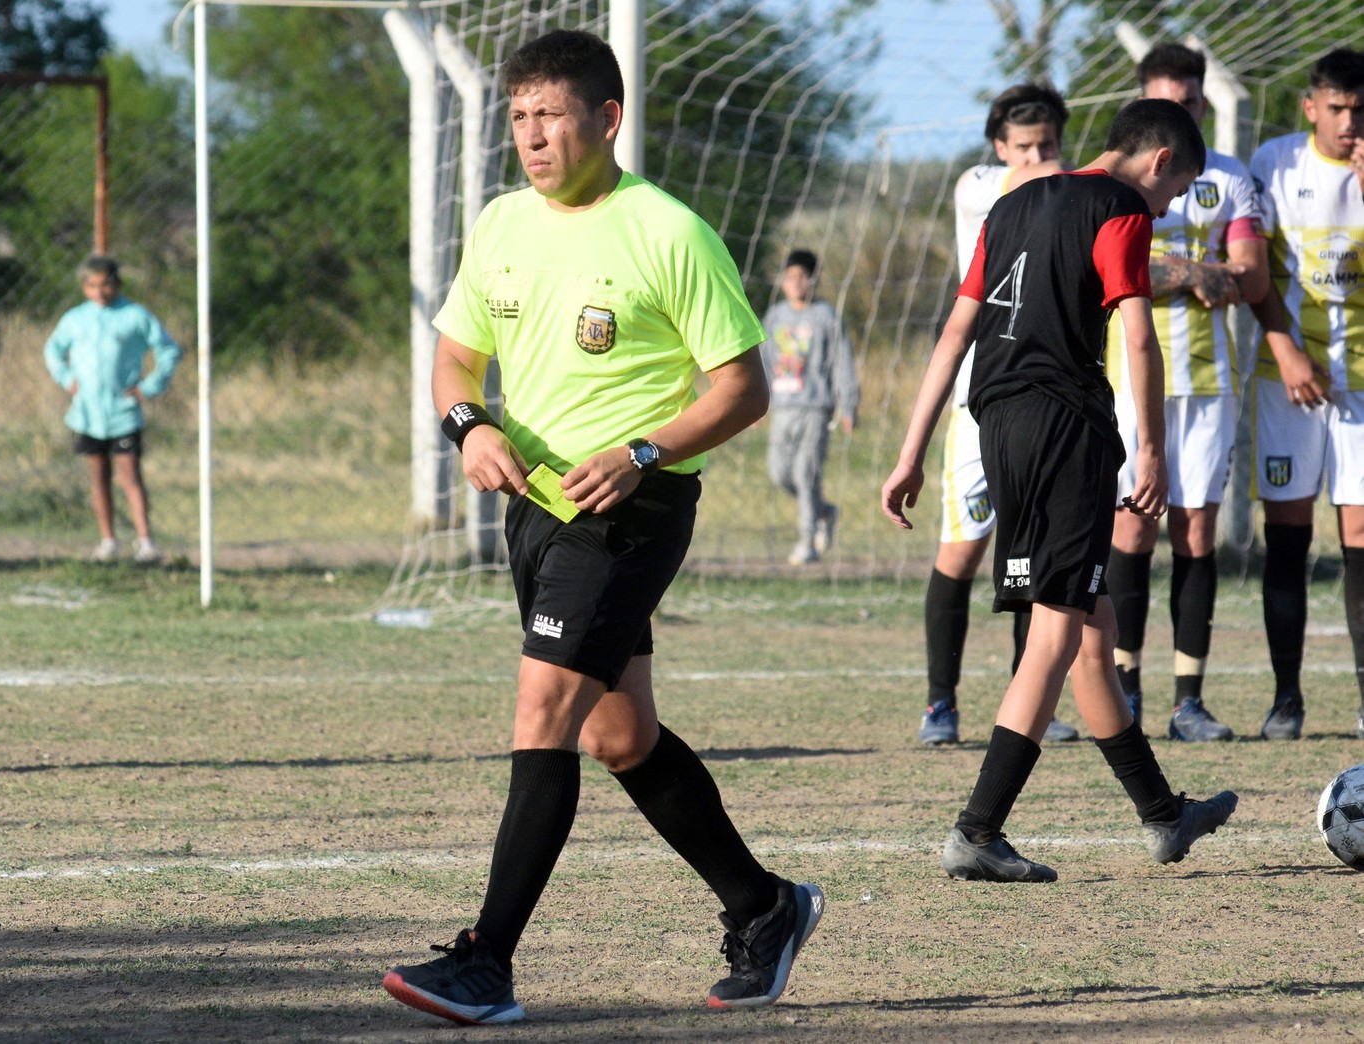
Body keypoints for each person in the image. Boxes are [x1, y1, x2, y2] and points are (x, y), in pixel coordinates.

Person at [381, 30, 823, 1026]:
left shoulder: (666, 232)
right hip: (533, 516)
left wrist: (641, 453)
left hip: (627, 512)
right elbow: (454, 360)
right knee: (621, 734)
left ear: (606, 118)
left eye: (550, 115)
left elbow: (741, 388)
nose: (532, 137)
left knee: (541, 718)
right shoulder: (500, 224)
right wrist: (466, 426)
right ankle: (765, 907)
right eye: (519, 119)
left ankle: (485, 964)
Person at [881, 98, 1238, 883]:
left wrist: (909, 453)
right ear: (1158, 162)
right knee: (1055, 633)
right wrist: (1151, 450)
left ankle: (1163, 816)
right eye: (1174, 192)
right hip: (1064, 429)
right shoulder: (1117, 208)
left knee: (1087, 627)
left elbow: (954, 334)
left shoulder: (1010, 205)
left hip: (997, 423)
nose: (1168, 204)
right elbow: (1136, 335)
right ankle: (976, 831)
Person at [1103, 44, 1266, 742]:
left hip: (1206, 381)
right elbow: (1116, 268)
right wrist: (1194, 270)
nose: (1184, 113)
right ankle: (1126, 690)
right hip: (1126, 378)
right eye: (1169, 103)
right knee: (1129, 528)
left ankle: (1187, 701)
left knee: (1195, 533)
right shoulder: (1113, 184)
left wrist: (1176, 268)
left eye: (1193, 102)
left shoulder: (1227, 178)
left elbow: (1249, 279)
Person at [918, 83, 1081, 746]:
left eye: (1047, 144)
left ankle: (1029, 701)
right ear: (998, 148)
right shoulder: (977, 186)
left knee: (1035, 551)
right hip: (977, 398)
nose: (1037, 156)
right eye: (1023, 146)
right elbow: (1030, 184)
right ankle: (939, 705)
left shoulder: (1073, 195)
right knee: (960, 552)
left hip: (1045, 398)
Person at [1246, 48, 1364, 741]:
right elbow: (1253, 269)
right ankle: (1284, 699)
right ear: (1310, 106)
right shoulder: (1274, 161)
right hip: (1287, 384)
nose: (1350, 124)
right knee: (1287, 532)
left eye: (1360, 111)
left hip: (1361, 387)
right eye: (1338, 109)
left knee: (1358, 533)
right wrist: (1284, 347)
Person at [43, 255, 181, 564]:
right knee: (98, 475)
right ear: (84, 288)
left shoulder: (134, 315)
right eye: (93, 286)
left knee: (130, 474)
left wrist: (149, 386)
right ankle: (108, 541)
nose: (100, 292)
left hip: (123, 411)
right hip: (88, 413)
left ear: (117, 284)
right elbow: (53, 349)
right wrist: (66, 378)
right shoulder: (76, 319)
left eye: (106, 284)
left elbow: (168, 349)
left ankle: (145, 541)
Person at [759, 248, 858, 565]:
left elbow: (843, 361)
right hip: (782, 408)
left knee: (806, 473)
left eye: (802, 277)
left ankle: (807, 542)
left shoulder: (826, 316)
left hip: (816, 408)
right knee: (779, 472)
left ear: (813, 280)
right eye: (790, 277)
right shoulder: (775, 316)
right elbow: (761, 360)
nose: (796, 283)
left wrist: (849, 405)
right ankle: (825, 512)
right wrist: (756, 403)